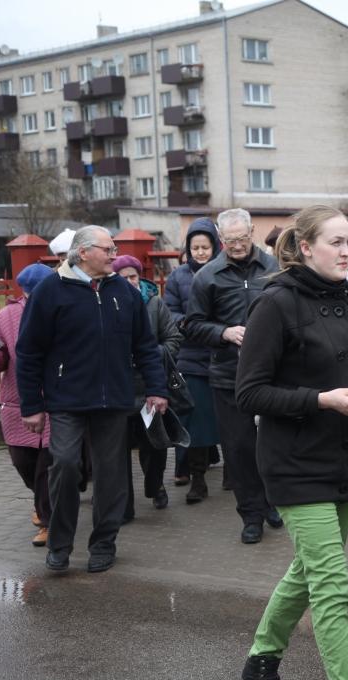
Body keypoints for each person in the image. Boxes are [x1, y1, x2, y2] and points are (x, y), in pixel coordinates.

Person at [236, 206, 348, 680]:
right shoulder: (275, 303)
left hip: (346, 457)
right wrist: (321, 400)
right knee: (332, 588)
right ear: (304, 248)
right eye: (336, 242)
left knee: (307, 571)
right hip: (296, 464)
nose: (347, 251)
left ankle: (261, 659)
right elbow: (249, 392)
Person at [15, 225, 169, 573]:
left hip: (114, 400)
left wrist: (157, 389)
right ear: (83, 252)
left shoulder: (123, 292)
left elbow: (145, 345)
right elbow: (29, 352)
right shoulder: (50, 291)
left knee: (111, 473)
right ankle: (59, 543)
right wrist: (31, 405)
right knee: (66, 465)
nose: (115, 254)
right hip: (66, 399)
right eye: (108, 248)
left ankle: (103, 542)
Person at [185, 208, 281, 544]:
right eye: (230, 240)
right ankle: (251, 514)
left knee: (272, 444)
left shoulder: (274, 268)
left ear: (253, 231)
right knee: (239, 449)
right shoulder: (207, 276)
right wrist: (224, 332)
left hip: (274, 375)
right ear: (220, 238)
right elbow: (191, 324)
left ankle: (273, 504)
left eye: (242, 238)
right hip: (228, 376)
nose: (237, 245)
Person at [0, 263, 56, 547]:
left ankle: (50, 523)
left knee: (47, 468)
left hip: (54, 404)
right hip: (17, 405)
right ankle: (41, 503)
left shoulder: (61, 313)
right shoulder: (5, 316)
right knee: (23, 463)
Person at [113, 254, 182, 518]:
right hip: (120, 388)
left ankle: (155, 486)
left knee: (155, 445)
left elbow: (174, 337)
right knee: (117, 451)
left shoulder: (154, 303)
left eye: (133, 276)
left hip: (150, 386)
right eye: (124, 277)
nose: (130, 282)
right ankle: (124, 505)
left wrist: (152, 354)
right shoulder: (110, 302)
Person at [164, 217, 223, 503]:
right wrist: (188, 323)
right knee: (196, 422)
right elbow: (169, 311)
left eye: (205, 246)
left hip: (224, 356)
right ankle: (197, 479)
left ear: (215, 246)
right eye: (195, 247)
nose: (200, 252)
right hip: (191, 357)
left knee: (229, 421)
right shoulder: (178, 277)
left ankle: (234, 473)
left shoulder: (225, 273)